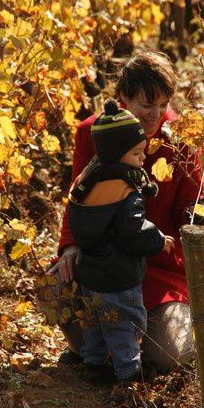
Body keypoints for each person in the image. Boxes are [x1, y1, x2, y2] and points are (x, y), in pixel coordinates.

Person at [48, 51, 201, 373]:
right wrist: (71, 246)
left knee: (165, 357)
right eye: (147, 105)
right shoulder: (93, 133)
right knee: (51, 289)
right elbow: (78, 199)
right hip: (102, 262)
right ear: (122, 99)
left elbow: (192, 209)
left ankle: (140, 339)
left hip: (158, 267)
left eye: (163, 105)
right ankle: (95, 350)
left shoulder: (180, 140)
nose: (156, 114)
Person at [68, 99, 175, 383]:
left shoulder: (89, 179)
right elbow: (133, 229)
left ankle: (93, 364)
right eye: (138, 153)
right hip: (119, 274)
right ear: (118, 153)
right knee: (125, 322)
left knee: (93, 321)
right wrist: (158, 240)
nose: (143, 159)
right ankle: (129, 373)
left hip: (90, 270)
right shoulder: (125, 189)